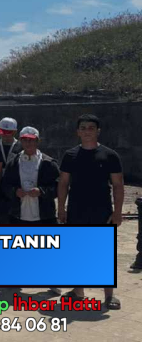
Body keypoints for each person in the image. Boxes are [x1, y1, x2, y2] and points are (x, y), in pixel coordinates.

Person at [57, 114, 123, 310]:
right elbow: (63, 183)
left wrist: (117, 212)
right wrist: (61, 208)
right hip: (76, 210)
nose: (87, 131)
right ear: (78, 132)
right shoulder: (70, 155)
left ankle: (109, 295)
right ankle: (78, 292)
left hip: (101, 210)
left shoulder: (110, 155)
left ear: (98, 131)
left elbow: (118, 185)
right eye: (83, 128)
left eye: (91, 128)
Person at [2, 127, 59, 224]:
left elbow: (59, 187)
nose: (28, 143)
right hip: (17, 216)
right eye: (25, 140)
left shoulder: (48, 163)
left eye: (31, 140)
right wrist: (15, 191)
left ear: (37, 141)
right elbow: (5, 185)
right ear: (20, 141)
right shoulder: (13, 163)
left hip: (44, 217)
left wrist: (41, 191)